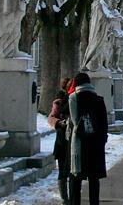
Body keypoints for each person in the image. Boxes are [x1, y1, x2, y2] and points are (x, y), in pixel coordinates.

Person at [67, 72, 108, 205]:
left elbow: (72, 121)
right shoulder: (99, 100)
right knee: (94, 179)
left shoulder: (73, 98)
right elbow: (104, 124)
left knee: (75, 179)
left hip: (79, 143)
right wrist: (102, 140)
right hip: (95, 144)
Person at [48, 77, 72, 204]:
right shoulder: (59, 101)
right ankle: (65, 198)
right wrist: (59, 123)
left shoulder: (75, 99)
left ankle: (70, 196)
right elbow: (51, 118)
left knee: (71, 170)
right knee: (63, 170)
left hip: (71, 140)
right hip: (62, 139)